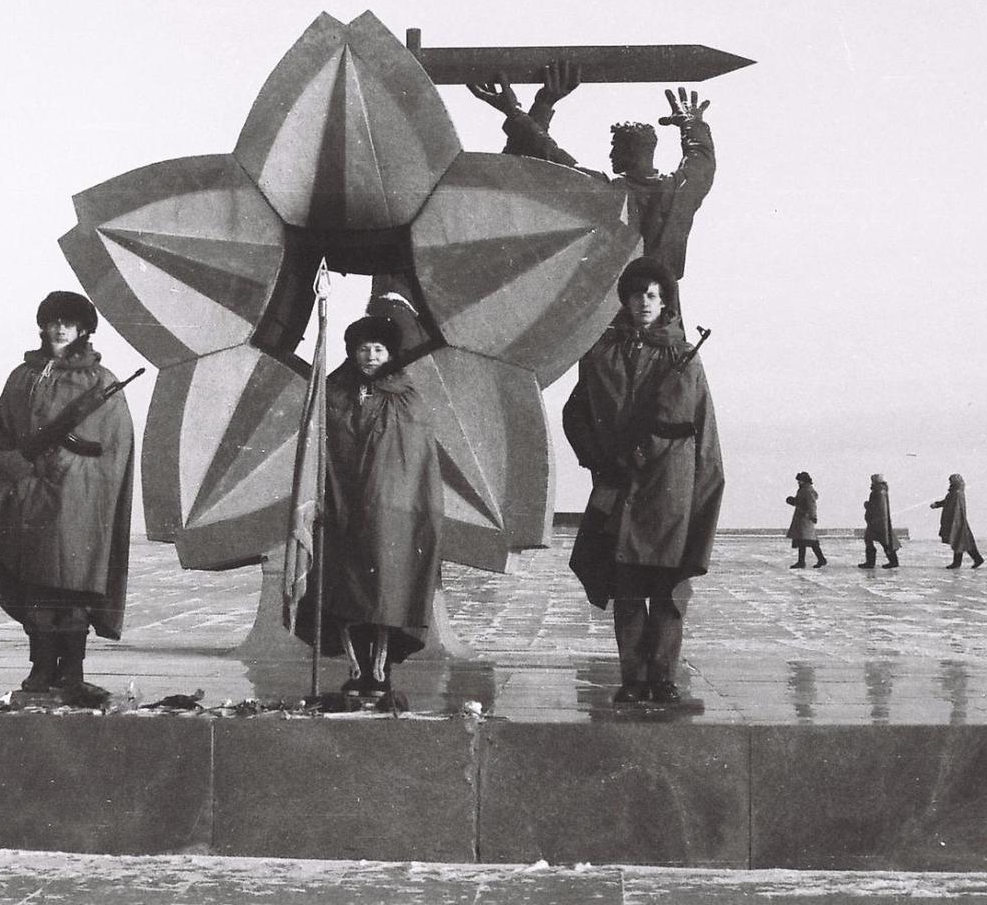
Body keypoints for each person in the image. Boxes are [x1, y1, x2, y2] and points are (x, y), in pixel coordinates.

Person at [562, 257, 723, 704]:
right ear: (626, 300)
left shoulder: (682, 355)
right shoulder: (601, 354)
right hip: (620, 486)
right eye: (637, 294)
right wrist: (598, 460)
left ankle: (663, 676)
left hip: (669, 489)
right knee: (627, 588)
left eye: (653, 295)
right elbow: (575, 414)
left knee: (667, 590)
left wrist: (704, 492)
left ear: (665, 301)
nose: (644, 302)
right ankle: (634, 678)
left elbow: (702, 429)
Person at [0, 291, 135, 693]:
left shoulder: (100, 382)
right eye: (54, 321)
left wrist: (67, 468)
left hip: (77, 500)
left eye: (69, 322)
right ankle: (42, 665)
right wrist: (10, 463)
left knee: (71, 585)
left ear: (84, 329)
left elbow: (114, 447)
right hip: (28, 495)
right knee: (33, 584)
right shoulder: (24, 376)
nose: (61, 329)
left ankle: (73, 670)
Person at [469, 68, 715, 310]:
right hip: (659, 319)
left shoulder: (605, 190)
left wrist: (522, 109)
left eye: (615, 147)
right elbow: (702, 159)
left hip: (603, 318)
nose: (610, 154)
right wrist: (691, 123)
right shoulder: (680, 192)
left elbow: (544, 155)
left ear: (628, 152)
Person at [294, 314, 442, 698]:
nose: (370, 356)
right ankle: (356, 668)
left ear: (390, 352)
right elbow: (319, 444)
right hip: (342, 508)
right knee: (344, 591)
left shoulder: (405, 395)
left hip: (390, 513)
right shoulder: (334, 390)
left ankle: (380, 673)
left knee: (382, 592)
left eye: (378, 349)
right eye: (363, 349)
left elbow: (413, 459)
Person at [933, 474, 982, 569]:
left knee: (959, 541)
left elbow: (954, 508)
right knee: (962, 541)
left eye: (951, 481)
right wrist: (937, 504)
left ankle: (959, 562)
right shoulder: (956, 492)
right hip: (958, 521)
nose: (950, 483)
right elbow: (948, 503)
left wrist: (938, 505)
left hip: (957, 521)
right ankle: (975, 559)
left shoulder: (957, 493)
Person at [859, 474, 899, 569]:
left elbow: (875, 507)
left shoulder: (877, 491)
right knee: (884, 541)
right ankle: (893, 561)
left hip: (876, 521)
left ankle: (871, 562)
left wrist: (867, 505)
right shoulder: (882, 490)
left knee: (871, 540)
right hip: (880, 521)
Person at [786, 471, 824, 568]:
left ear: (804, 480)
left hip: (805, 519)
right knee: (806, 541)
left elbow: (812, 504)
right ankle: (818, 559)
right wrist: (793, 501)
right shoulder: (803, 490)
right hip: (802, 519)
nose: (798, 482)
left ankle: (805, 561)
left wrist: (813, 516)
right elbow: (801, 502)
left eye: (800, 480)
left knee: (806, 541)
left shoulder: (807, 490)